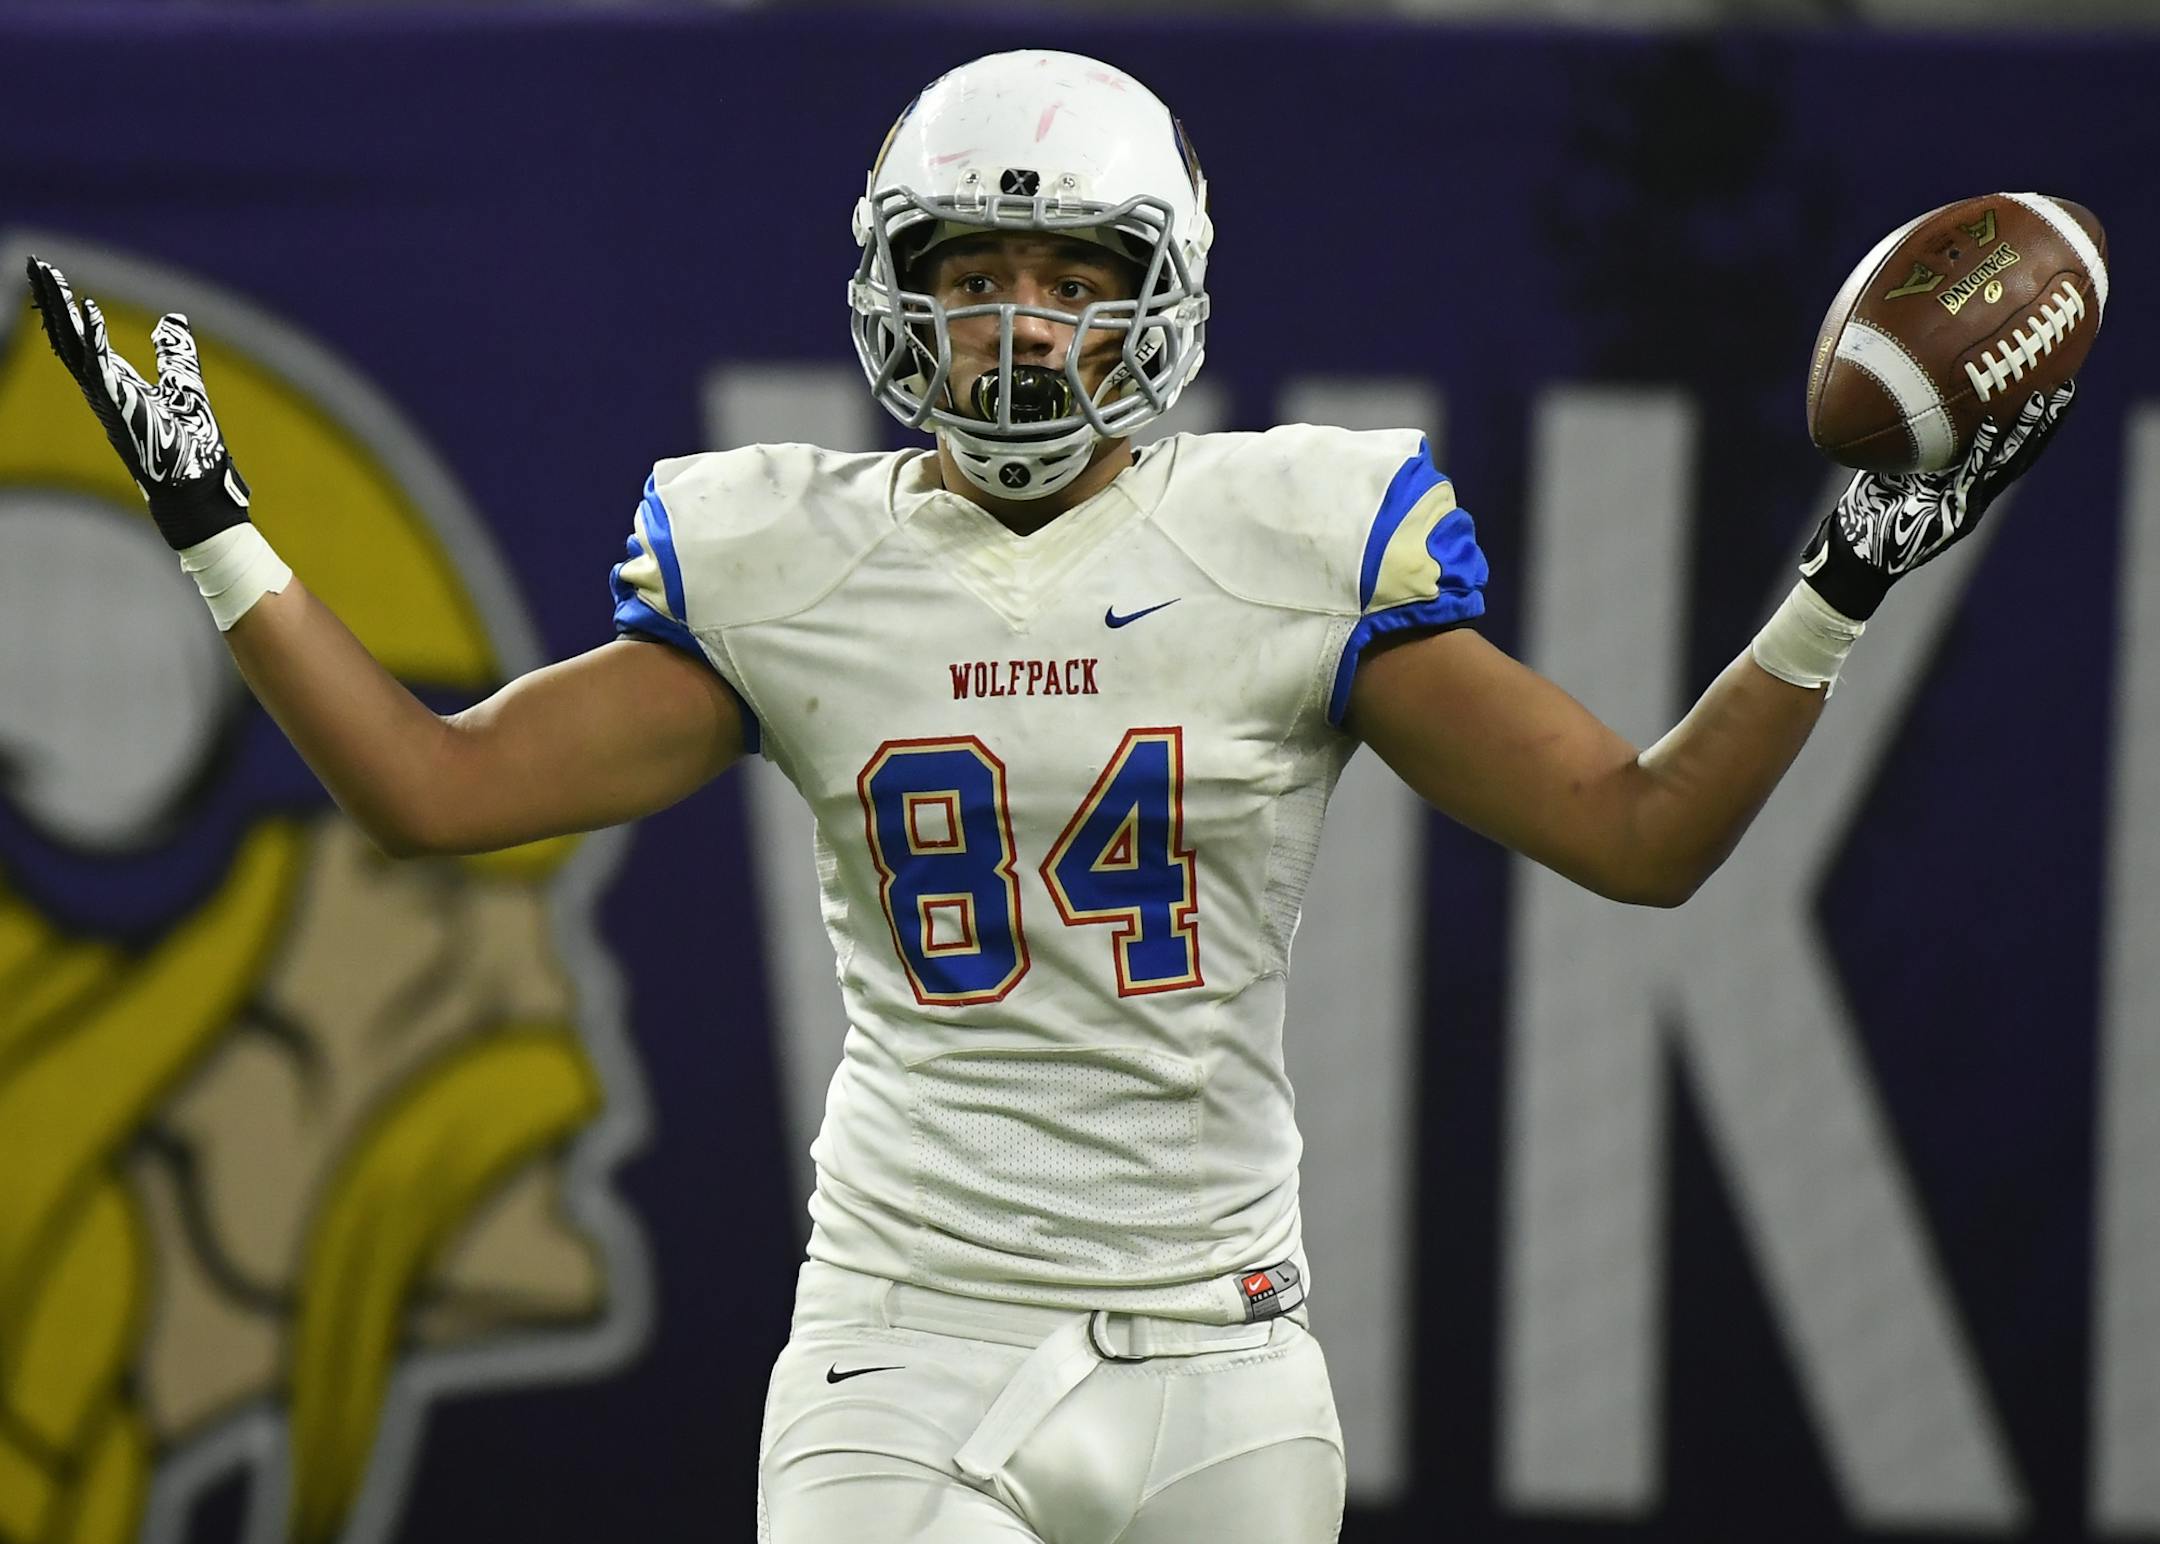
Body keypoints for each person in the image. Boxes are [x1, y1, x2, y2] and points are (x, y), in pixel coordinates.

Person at [23, 48, 2072, 1544]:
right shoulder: (792, 559)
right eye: (972, 269)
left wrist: (1848, 571)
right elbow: (436, 788)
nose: (1013, 324)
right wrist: (213, 524)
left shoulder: (1290, 535)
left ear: (1150, 296)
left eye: (1065, 274)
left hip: (1222, 1356)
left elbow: (1641, 837)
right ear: (895, 284)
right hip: (902, 1341)